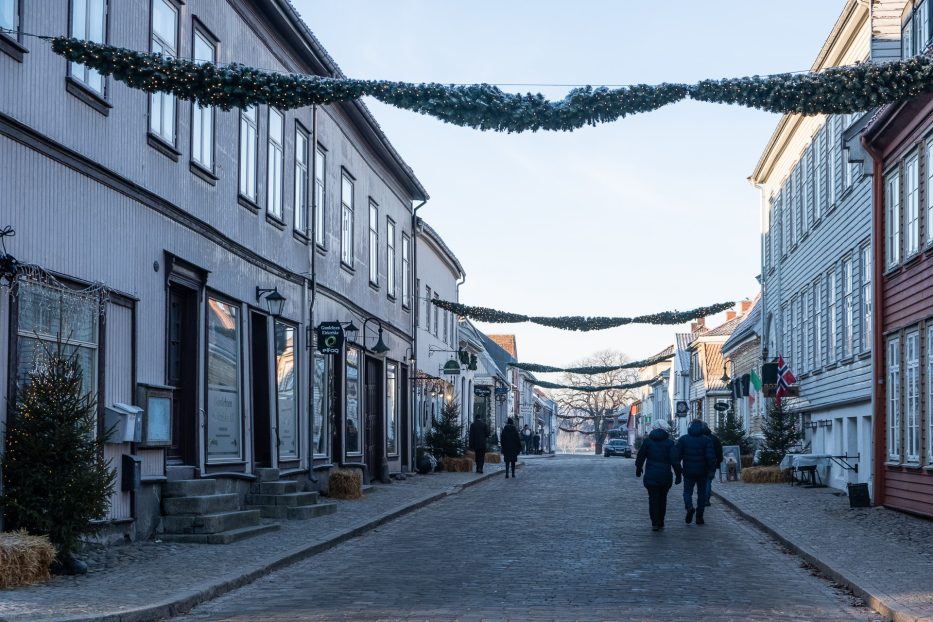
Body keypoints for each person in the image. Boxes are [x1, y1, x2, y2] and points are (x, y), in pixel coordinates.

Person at [636, 421, 682, 531]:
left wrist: (639, 468)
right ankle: (661, 521)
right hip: (665, 476)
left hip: (651, 475)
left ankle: (655, 523)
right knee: (663, 499)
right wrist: (678, 475)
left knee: (653, 499)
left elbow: (641, 456)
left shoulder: (647, 442)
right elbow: (675, 461)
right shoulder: (669, 443)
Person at [676, 419, 716, 525]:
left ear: (690, 427)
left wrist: (679, 470)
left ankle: (689, 507)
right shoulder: (706, 440)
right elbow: (710, 457)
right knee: (701, 494)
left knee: (687, 492)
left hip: (688, 471)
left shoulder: (683, 439)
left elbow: (677, 457)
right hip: (702, 472)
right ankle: (699, 516)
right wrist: (712, 470)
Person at [702, 424, 724, 507]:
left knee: (703, 482)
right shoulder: (715, 439)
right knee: (708, 482)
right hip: (712, 463)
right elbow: (719, 452)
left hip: (701, 464)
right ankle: (706, 500)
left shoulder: (699, 439)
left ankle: (702, 499)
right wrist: (719, 462)